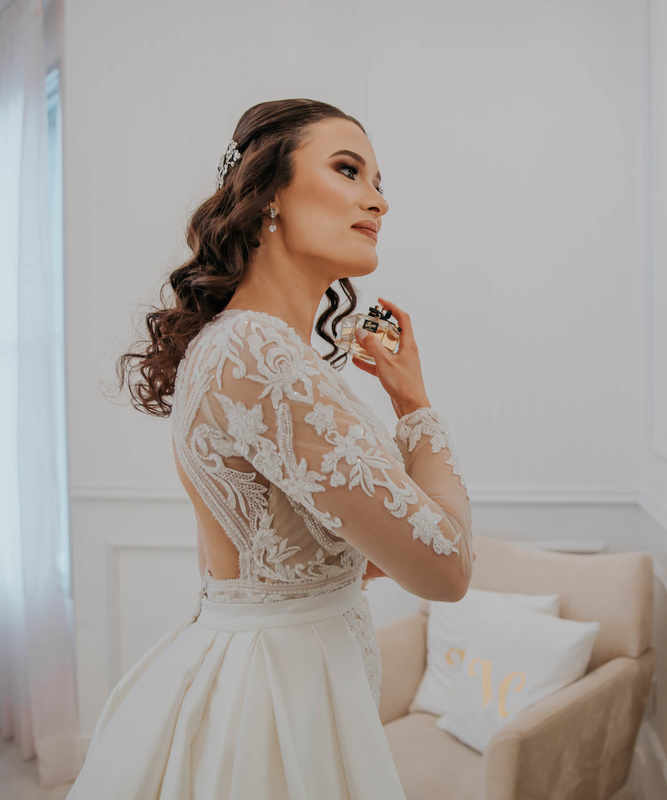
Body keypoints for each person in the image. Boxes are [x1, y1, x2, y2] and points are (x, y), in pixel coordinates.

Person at [68, 99, 473, 799]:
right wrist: (414, 405)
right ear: (269, 194)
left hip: (289, 680)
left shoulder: (248, 347)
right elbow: (447, 569)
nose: (377, 200)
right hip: (281, 705)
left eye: (380, 183)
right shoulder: (259, 352)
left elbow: (308, 553)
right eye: (348, 169)